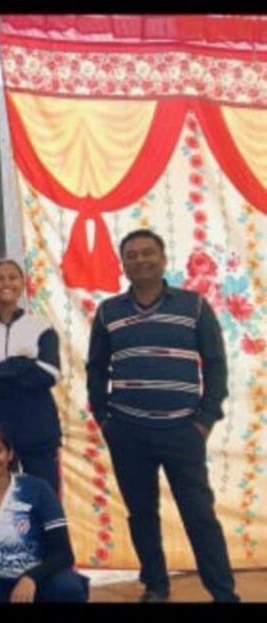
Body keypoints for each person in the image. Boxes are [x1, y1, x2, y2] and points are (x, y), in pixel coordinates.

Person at [86, 229, 238, 603]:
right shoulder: (109, 312)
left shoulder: (194, 306)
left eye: (147, 252)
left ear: (163, 258)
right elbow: (96, 369)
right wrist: (106, 420)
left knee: (199, 514)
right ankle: (156, 586)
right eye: (132, 255)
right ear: (123, 264)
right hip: (128, 430)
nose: (140, 260)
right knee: (141, 513)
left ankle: (223, 593)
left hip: (182, 430)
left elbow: (216, 365)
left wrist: (204, 420)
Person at [0, 259, 63, 494]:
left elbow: (49, 374)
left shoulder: (41, 326)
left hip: (36, 427)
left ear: (23, 283)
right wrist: (24, 363)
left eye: (12, 277)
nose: (6, 283)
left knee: (44, 497)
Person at [0, 423, 87, 603]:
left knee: (67, 589)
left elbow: (64, 554)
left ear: (9, 453)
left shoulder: (37, 490)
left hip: (42, 577)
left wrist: (31, 578)